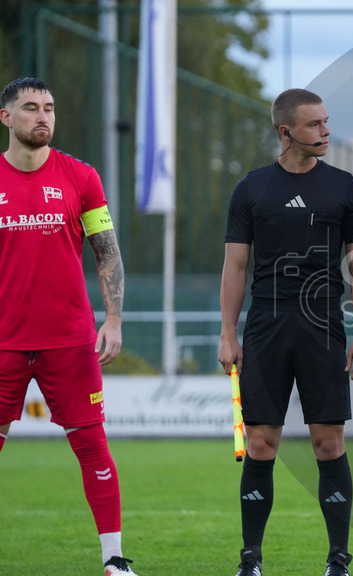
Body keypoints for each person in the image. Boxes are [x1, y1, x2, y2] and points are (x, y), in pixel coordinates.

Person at [219, 88, 353, 576]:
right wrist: (228, 332)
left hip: (322, 326)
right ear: (286, 132)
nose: (326, 132)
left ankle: (338, 561)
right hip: (265, 325)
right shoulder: (252, 188)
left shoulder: (346, 189)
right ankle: (251, 560)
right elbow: (235, 266)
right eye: (315, 125)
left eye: (326, 122)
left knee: (328, 443)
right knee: (262, 442)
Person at [0, 77, 135, 575]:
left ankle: (115, 561)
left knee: (92, 444)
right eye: (31, 108)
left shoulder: (81, 177)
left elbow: (107, 252)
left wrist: (114, 317)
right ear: (6, 118)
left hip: (70, 341)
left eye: (50, 108)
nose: (43, 117)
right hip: (3, 342)